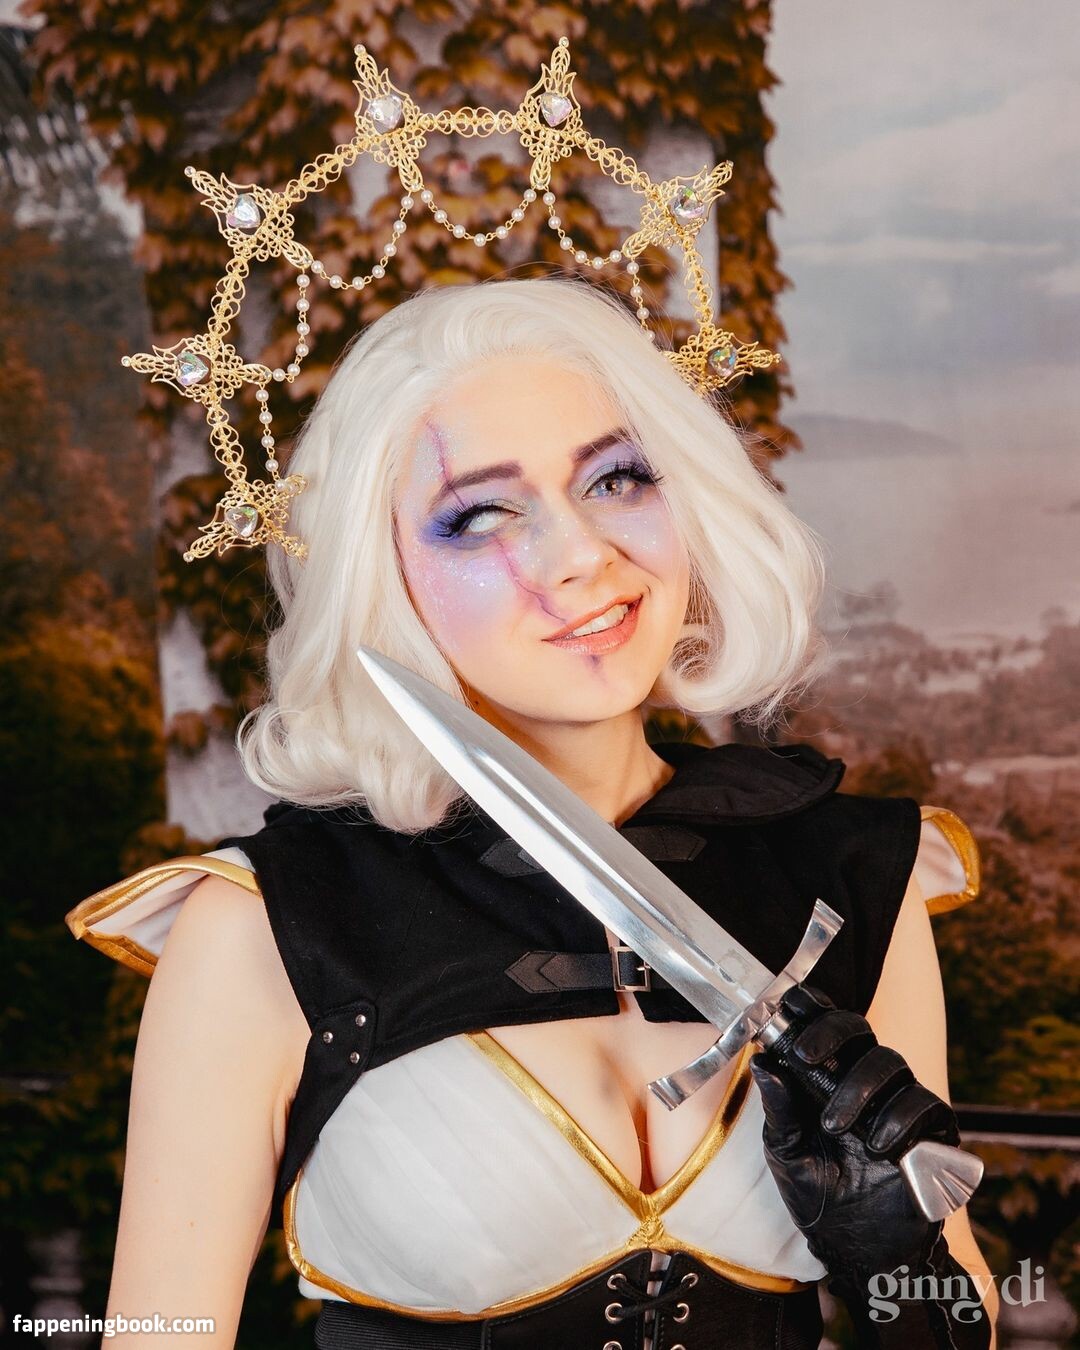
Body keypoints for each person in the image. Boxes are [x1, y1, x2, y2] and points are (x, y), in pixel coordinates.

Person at [68, 277, 999, 1348]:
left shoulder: (854, 876)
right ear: (383, 577)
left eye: (617, 478)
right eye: (480, 515)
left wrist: (901, 1267)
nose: (582, 556)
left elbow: (953, 1318)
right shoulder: (266, 926)